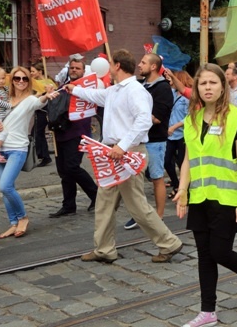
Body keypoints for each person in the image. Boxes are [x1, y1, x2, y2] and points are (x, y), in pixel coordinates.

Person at [174, 64, 237, 327]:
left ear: (222, 87)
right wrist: (182, 190)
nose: (207, 88)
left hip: (227, 197)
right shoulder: (192, 118)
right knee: (204, 255)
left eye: (213, 83)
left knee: (220, 252)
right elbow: (188, 160)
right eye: (202, 83)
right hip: (200, 197)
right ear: (197, 88)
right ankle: (208, 312)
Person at [67, 49, 183, 263]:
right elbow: (95, 96)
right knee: (104, 203)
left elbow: (143, 121)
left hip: (127, 153)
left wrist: (122, 145)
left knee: (137, 205)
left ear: (118, 65)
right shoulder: (114, 91)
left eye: (111, 64)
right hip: (111, 153)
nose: (109, 68)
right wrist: (74, 89)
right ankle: (104, 249)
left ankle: (169, 243)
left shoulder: (135, 91)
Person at [0, 67, 59, 239]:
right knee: (6, 189)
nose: (21, 81)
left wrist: (47, 94)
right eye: (17, 78)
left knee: (5, 186)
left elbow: (40, 101)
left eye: (25, 79)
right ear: (11, 80)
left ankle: (23, 218)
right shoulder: (3, 98)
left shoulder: (29, 100)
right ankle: (13, 223)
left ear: (29, 81)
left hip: (17, 149)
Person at [123, 53, 174, 230]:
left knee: (156, 178)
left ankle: (159, 216)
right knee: (135, 179)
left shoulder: (163, 88)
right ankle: (140, 213)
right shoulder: (141, 85)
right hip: (139, 139)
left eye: (143, 62)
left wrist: (138, 118)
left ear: (153, 67)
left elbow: (158, 118)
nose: (139, 65)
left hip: (155, 140)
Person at [47, 59, 98, 217]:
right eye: (72, 67)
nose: (74, 70)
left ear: (83, 71)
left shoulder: (87, 87)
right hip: (61, 132)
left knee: (72, 167)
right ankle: (68, 205)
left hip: (77, 133)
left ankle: (96, 195)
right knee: (63, 171)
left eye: (77, 68)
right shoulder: (63, 86)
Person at [165, 70, 192, 199]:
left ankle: (185, 190)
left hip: (182, 134)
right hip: (170, 135)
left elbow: (190, 116)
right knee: (166, 161)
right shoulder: (172, 94)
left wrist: (174, 126)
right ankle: (176, 185)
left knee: (183, 163)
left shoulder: (187, 98)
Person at [29, 61, 56, 167]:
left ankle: (45, 156)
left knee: (37, 133)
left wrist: (38, 95)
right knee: (36, 133)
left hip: (45, 111)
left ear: (40, 71)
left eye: (33, 71)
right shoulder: (35, 83)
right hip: (40, 111)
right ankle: (43, 154)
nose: (31, 73)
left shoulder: (47, 83)